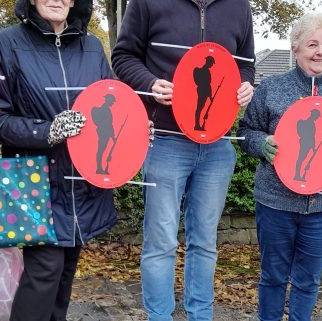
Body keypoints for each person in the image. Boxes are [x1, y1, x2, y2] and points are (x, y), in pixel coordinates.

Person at [111, 1, 255, 320]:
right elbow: (122, 56)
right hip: (164, 140)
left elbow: (245, 64)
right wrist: (148, 83)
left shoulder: (239, 6)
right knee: (161, 242)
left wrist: (245, 85)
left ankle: (200, 316)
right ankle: (159, 316)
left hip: (217, 144)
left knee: (205, 243)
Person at [237, 12, 322, 321]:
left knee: (308, 280)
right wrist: (262, 144)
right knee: (273, 276)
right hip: (276, 202)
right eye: (312, 44)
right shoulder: (272, 88)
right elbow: (246, 132)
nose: (321, 52)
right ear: (295, 48)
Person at [0, 0, 116, 320]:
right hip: (35, 181)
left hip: (83, 183)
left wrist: (136, 132)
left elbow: (111, 104)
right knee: (45, 270)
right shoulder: (5, 43)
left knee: (65, 270)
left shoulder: (93, 47)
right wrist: (48, 131)